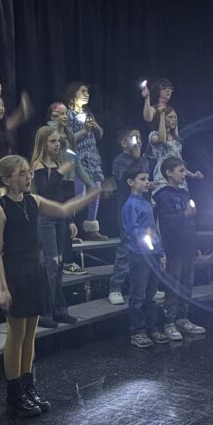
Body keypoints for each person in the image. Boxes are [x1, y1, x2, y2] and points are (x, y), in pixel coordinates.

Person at [0, 155, 103, 418]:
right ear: (6, 179)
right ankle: (14, 395)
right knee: (16, 335)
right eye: (23, 173)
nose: (29, 176)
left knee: (30, 334)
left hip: (34, 271)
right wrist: (2, 288)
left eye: (29, 172)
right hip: (14, 274)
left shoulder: (32, 201)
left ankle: (28, 386)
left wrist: (92, 195)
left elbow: (62, 209)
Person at [31, 126, 81, 329]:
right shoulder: (38, 164)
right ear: (43, 144)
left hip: (59, 218)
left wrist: (69, 220)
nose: (57, 144)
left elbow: (62, 196)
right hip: (45, 219)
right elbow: (45, 190)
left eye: (57, 141)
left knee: (59, 265)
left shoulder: (57, 163)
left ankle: (60, 309)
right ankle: (45, 311)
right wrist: (61, 172)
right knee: (51, 265)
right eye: (52, 141)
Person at [153, 158, 207, 338]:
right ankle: (169, 321)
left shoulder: (185, 194)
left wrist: (196, 244)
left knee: (186, 284)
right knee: (173, 284)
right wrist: (184, 214)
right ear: (169, 172)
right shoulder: (162, 196)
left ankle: (183, 319)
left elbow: (191, 223)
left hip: (188, 246)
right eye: (181, 170)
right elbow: (167, 223)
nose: (185, 174)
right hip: (173, 247)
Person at [121, 165, 168, 348]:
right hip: (139, 255)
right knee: (138, 294)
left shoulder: (147, 203)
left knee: (151, 293)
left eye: (147, 178)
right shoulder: (130, 205)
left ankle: (152, 327)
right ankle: (137, 331)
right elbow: (131, 231)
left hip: (153, 254)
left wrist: (161, 252)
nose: (147, 182)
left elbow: (154, 230)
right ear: (130, 182)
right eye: (142, 179)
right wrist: (145, 234)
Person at [64, 82, 109, 240]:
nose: (86, 94)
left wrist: (96, 127)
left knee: (95, 192)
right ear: (73, 94)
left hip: (93, 158)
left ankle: (91, 228)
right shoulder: (68, 114)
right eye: (83, 91)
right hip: (78, 158)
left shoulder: (88, 113)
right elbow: (68, 140)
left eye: (87, 91)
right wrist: (84, 131)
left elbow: (100, 135)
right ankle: (70, 229)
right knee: (80, 195)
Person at [109, 129, 144, 305]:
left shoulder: (142, 159)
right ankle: (115, 288)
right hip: (126, 208)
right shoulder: (119, 161)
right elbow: (123, 181)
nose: (138, 141)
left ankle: (140, 288)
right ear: (124, 143)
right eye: (133, 138)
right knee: (125, 247)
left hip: (143, 208)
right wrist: (136, 160)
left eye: (139, 137)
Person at [150, 106, 204, 190]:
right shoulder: (154, 135)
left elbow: (179, 162)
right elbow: (162, 139)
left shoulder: (177, 139)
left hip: (179, 177)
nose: (174, 119)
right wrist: (161, 116)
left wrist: (192, 175)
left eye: (175, 117)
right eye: (170, 117)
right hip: (163, 176)